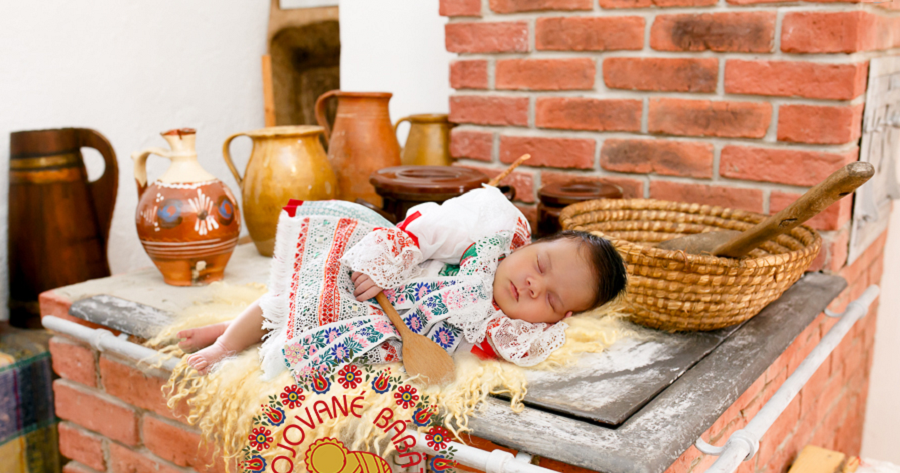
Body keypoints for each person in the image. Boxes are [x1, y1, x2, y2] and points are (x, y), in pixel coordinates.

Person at [178, 186, 626, 379]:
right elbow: (431, 228)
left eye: (549, 297)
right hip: (374, 282)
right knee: (293, 296)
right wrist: (388, 261)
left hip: (393, 330)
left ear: (558, 318)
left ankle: (242, 333)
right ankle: (225, 343)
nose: (531, 285)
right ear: (532, 243)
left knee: (320, 333)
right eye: (541, 266)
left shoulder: (510, 329)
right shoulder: (492, 240)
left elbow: (485, 353)